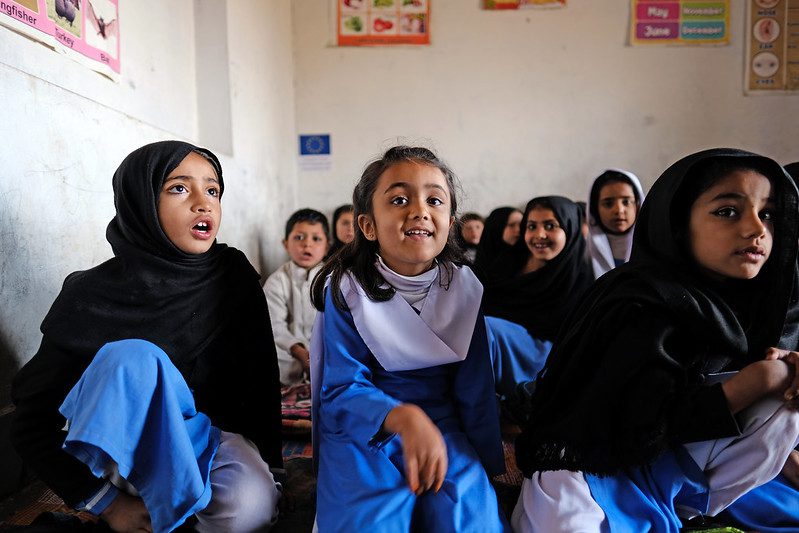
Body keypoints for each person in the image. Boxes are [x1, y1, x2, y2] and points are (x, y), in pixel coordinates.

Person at [511, 148, 799, 532]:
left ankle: (686, 507)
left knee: (787, 394)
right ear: (678, 223)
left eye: (767, 214)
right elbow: (632, 430)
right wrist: (761, 378)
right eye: (728, 211)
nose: (756, 229)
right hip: (589, 462)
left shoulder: (754, 301)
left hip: (671, 467)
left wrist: (783, 368)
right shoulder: (636, 299)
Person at [11, 141, 283, 533]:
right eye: (178, 188)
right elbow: (31, 422)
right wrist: (106, 503)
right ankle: (146, 512)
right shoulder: (90, 296)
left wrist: (273, 468)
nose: (203, 203)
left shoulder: (231, 276)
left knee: (248, 511)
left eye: (212, 190)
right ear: (139, 201)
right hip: (124, 462)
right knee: (134, 358)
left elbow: (260, 380)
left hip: (207, 446)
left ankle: (174, 514)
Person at [309, 146, 507, 531]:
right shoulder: (347, 290)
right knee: (373, 520)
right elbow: (341, 388)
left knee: (468, 514)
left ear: (450, 223)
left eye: (434, 199)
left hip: (441, 427)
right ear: (367, 226)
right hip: (363, 426)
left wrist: (484, 461)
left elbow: (474, 390)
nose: (419, 210)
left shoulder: (465, 290)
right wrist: (399, 416)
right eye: (399, 199)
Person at [481, 197, 594, 397]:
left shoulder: (580, 280)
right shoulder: (508, 264)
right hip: (489, 354)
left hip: (548, 361)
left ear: (570, 228)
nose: (539, 235)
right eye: (531, 226)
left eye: (550, 226)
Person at [264, 208, 329, 386]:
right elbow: (275, 326)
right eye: (299, 238)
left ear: (327, 246)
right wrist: (299, 352)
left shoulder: (335, 278)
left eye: (316, 239)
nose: (307, 245)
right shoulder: (277, 281)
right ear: (286, 244)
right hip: (290, 357)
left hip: (327, 352)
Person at [586, 169, 644, 279]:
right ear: (595, 209)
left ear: (638, 204)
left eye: (626, 202)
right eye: (608, 203)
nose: (619, 210)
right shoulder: (583, 253)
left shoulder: (654, 248)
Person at [473, 206, 523, 279]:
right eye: (512, 225)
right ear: (497, 228)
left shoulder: (531, 260)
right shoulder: (482, 265)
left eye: (522, 225)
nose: (519, 229)